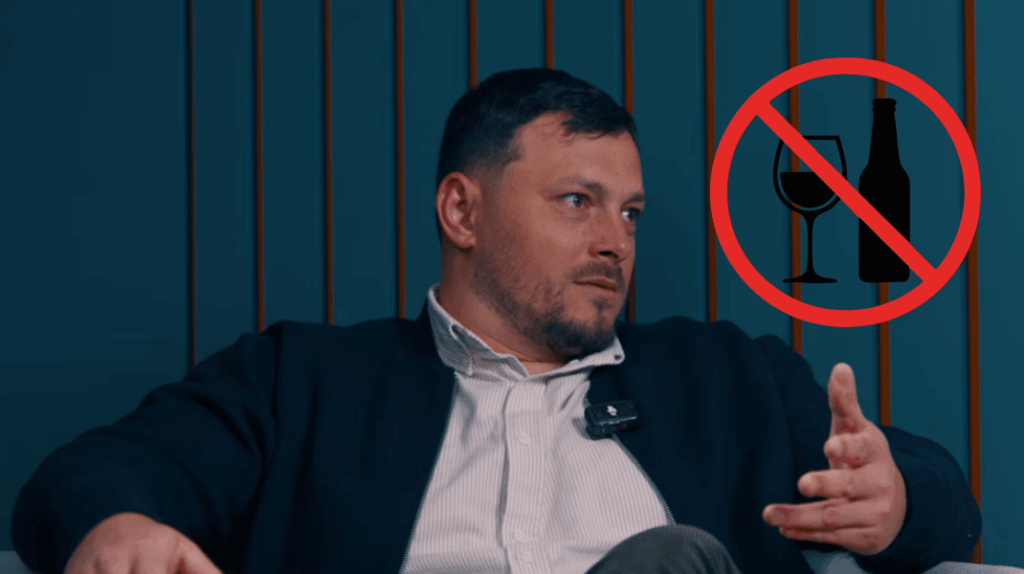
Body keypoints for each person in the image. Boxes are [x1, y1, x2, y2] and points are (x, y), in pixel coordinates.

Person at [11, 68, 981, 574]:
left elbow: (938, 495)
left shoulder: (728, 376)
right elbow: (89, 475)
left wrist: (894, 498)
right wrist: (117, 524)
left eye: (630, 213)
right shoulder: (301, 380)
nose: (613, 240)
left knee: (671, 562)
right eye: (577, 201)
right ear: (462, 212)